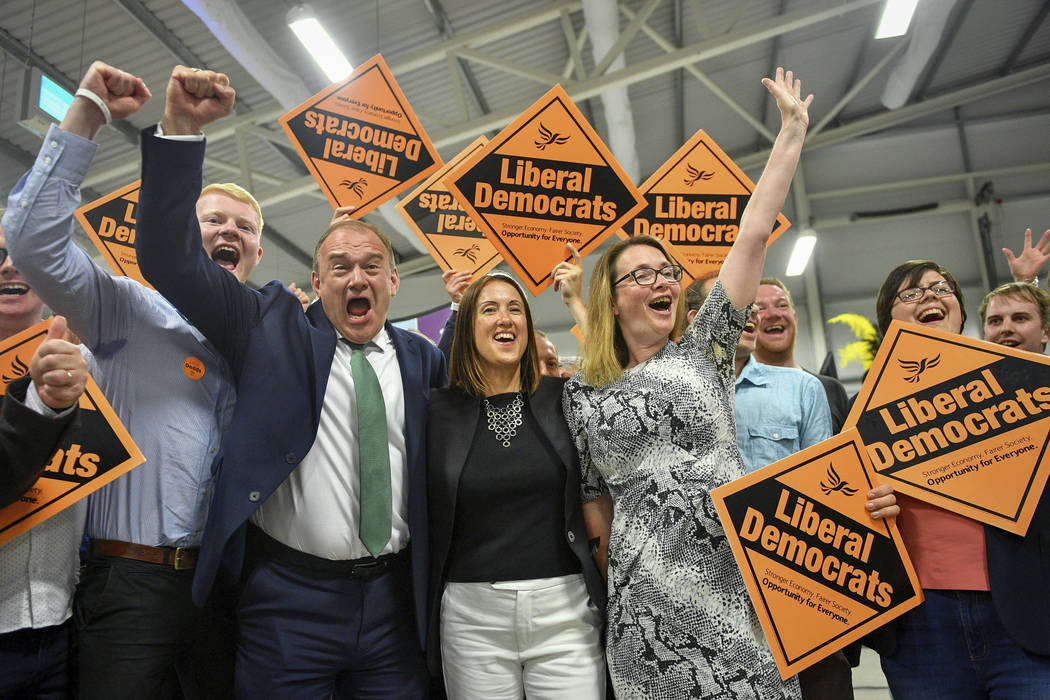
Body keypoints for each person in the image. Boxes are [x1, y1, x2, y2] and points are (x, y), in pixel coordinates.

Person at [563, 69, 897, 699]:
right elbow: (592, 499)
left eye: (667, 271)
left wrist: (791, 136)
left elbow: (751, 233)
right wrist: (622, 576)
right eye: (641, 276)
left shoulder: (705, 349)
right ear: (609, 300)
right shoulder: (581, 391)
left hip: (734, 575)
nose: (663, 281)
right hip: (643, 598)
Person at [134, 65, 447, 697]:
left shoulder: (424, 361)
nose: (355, 279)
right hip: (286, 604)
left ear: (394, 282)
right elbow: (168, 257)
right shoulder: (267, 327)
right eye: (339, 267)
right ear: (317, 280)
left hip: (394, 604)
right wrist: (181, 133)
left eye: (371, 266)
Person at [3, 61, 264, 698]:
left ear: (257, 254)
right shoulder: (125, 308)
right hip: (125, 587)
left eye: (246, 228)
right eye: (213, 220)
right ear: (181, 230)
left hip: (222, 592)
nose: (230, 230)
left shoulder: (263, 338)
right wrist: (87, 111)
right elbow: (34, 245)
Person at [871, 260, 1050, 697]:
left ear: (960, 309)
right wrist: (869, 504)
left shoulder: (1022, 387)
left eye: (942, 288)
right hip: (919, 626)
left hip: (1024, 613)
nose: (931, 296)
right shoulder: (866, 407)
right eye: (911, 293)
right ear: (887, 320)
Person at [426, 272, 607, 699]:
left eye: (514, 308)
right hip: (472, 621)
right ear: (468, 327)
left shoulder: (566, 397)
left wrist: (576, 301)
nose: (504, 319)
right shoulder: (436, 411)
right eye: (489, 309)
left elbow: (616, 374)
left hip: (564, 612)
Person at [751, 277, 849, 433]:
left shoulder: (830, 390)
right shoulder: (737, 395)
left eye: (782, 305)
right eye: (760, 308)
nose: (773, 314)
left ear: (795, 318)